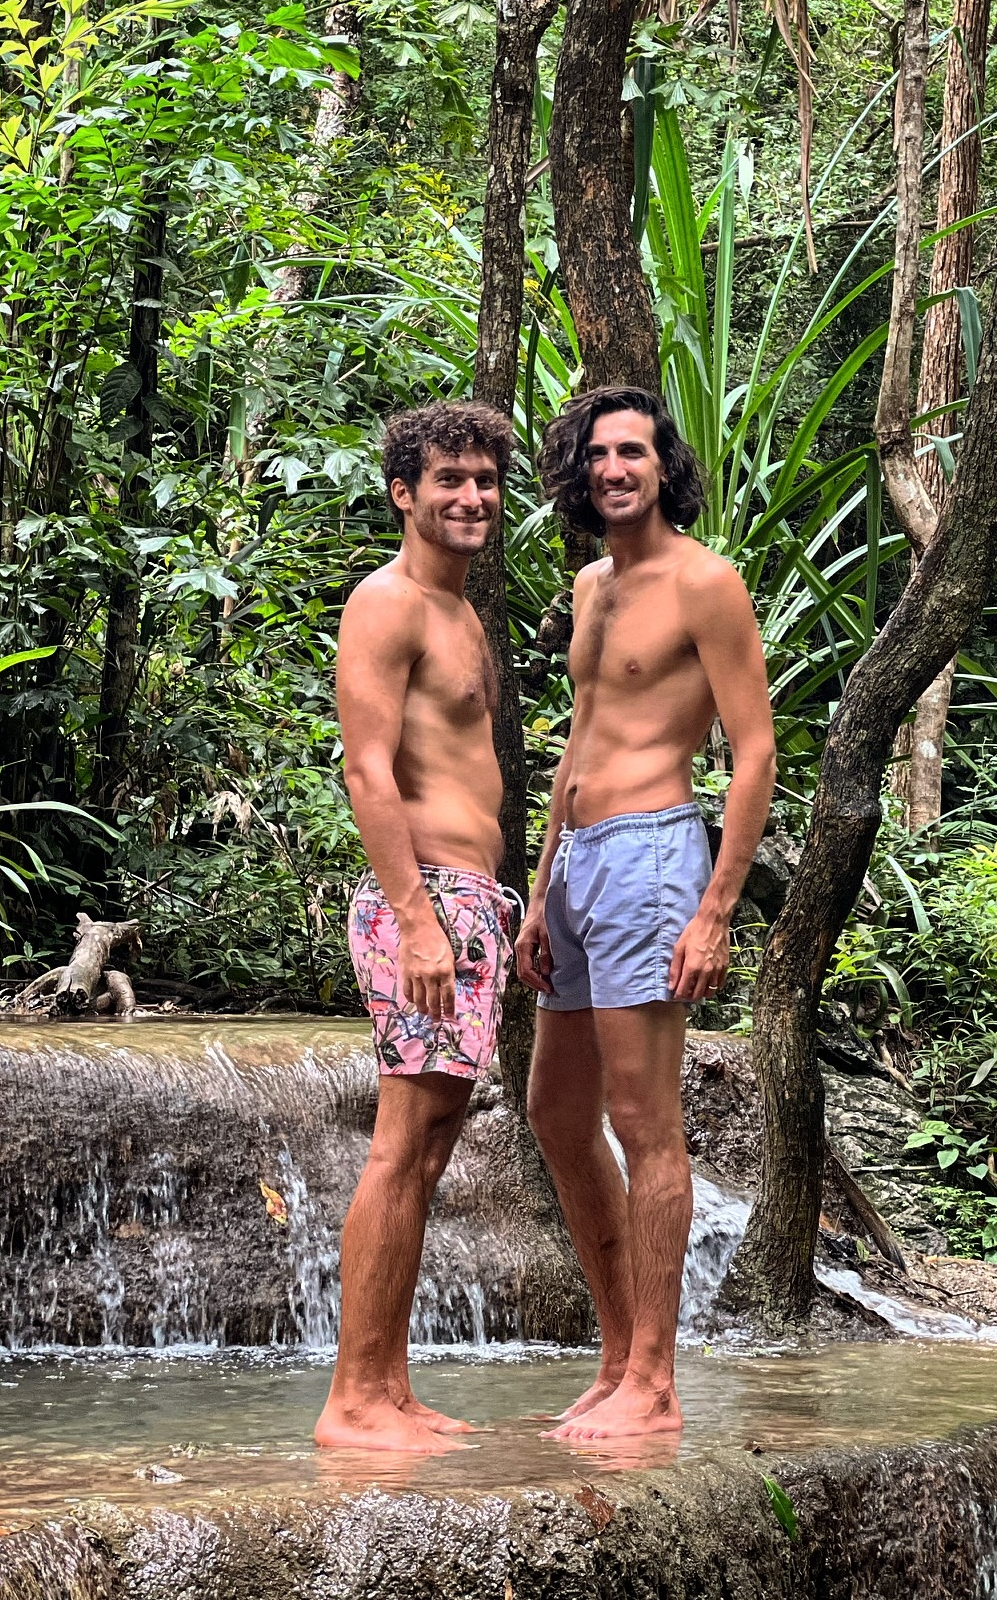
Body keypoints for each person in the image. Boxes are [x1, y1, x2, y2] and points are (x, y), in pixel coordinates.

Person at [516, 386, 776, 1440]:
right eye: (597, 454)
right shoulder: (591, 586)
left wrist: (715, 910)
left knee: (643, 1122)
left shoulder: (706, 582)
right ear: (578, 474)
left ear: (665, 466)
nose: (614, 468)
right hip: (578, 863)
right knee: (554, 1112)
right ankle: (619, 1355)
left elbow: (754, 752)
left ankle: (656, 1383)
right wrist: (540, 894)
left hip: (653, 855)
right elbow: (578, 743)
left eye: (632, 451)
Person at [315, 400, 517, 1453]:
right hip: (425, 902)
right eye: (449, 480)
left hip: (468, 903)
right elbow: (368, 769)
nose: (472, 497)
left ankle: (389, 1389)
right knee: (401, 1149)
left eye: (485, 479)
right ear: (405, 493)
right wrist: (419, 921)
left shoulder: (462, 615)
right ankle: (353, 1399)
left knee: (430, 1149)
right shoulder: (386, 603)